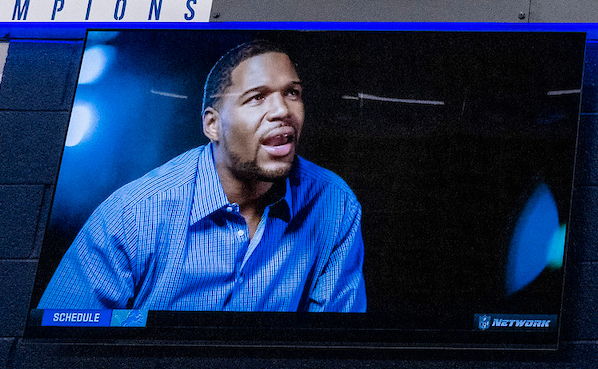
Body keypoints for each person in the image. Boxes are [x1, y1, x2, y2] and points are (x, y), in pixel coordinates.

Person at [39, 40, 365, 313]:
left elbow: (332, 348)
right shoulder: (133, 214)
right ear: (212, 125)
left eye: (292, 93)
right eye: (257, 97)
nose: (283, 111)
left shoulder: (334, 204)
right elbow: (63, 338)